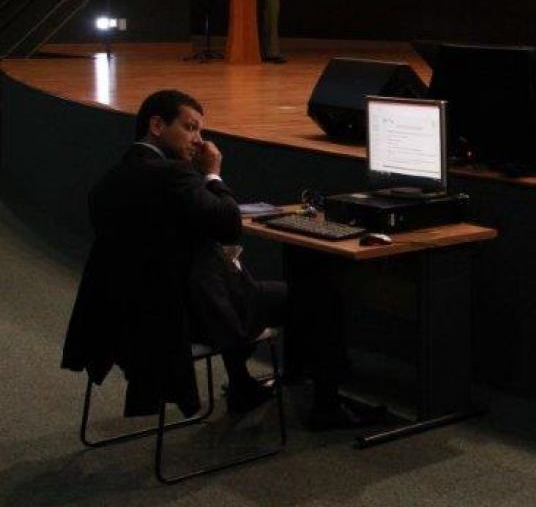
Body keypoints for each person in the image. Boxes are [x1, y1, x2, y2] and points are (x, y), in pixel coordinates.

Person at [61, 89, 377, 429]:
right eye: (190, 128)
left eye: (200, 130)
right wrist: (212, 174)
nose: (199, 140)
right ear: (157, 125)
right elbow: (229, 226)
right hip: (184, 318)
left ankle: (242, 386)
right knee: (317, 296)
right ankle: (327, 406)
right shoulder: (174, 175)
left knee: (225, 279)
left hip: (132, 315)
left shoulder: (108, 182)